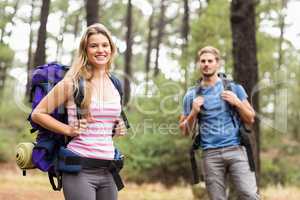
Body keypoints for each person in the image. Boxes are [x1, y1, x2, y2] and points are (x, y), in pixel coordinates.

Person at [31, 23, 126, 200]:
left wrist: (117, 126)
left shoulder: (115, 83)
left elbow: (104, 119)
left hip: (108, 168)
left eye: (105, 45)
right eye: (94, 45)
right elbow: (38, 113)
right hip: (79, 169)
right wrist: (68, 130)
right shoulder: (72, 82)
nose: (100, 50)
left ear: (111, 49)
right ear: (85, 50)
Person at [179, 46, 260, 200]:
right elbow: (184, 130)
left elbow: (251, 118)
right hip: (210, 154)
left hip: (236, 149)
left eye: (210, 61)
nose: (206, 64)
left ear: (218, 64)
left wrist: (237, 102)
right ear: (198, 64)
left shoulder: (234, 88)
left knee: (249, 194)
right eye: (203, 61)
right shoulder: (191, 95)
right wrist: (194, 112)